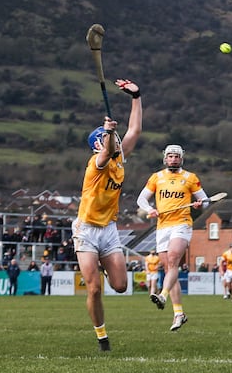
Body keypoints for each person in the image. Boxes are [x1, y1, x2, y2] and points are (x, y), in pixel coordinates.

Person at [72, 78, 141, 352]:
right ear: (97, 144)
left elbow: (135, 129)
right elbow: (107, 153)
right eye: (104, 137)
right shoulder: (96, 163)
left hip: (109, 229)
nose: (114, 141)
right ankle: (102, 336)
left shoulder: (120, 159)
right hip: (87, 229)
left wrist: (136, 96)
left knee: (121, 286)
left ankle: (103, 262)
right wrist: (110, 132)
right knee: (95, 289)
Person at [137, 144, 210, 331]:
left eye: (176, 156)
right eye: (170, 156)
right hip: (162, 227)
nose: (173, 159)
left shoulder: (190, 178)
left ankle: (162, 295)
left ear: (181, 159)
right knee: (170, 269)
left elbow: (206, 202)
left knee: (173, 261)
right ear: (165, 158)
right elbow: (141, 199)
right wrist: (150, 209)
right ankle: (179, 314)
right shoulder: (157, 177)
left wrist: (199, 204)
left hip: (182, 223)